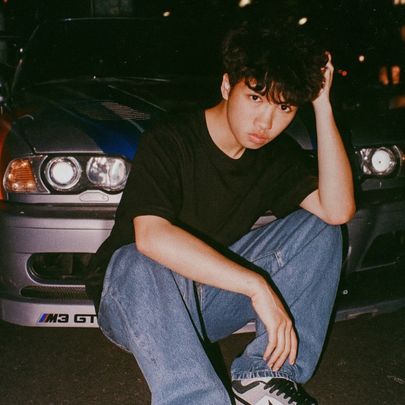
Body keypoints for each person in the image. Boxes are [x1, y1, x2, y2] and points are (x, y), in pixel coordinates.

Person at [86, 22, 355, 405]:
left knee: (322, 228)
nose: (266, 123)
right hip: (133, 301)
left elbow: (337, 210)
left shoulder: (274, 156)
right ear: (227, 86)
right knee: (137, 257)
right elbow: (151, 236)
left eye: (284, 107)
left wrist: (323, 105)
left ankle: (264, 377)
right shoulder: (172, 138)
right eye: (256, 98)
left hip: (206, 303)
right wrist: (256, 286)